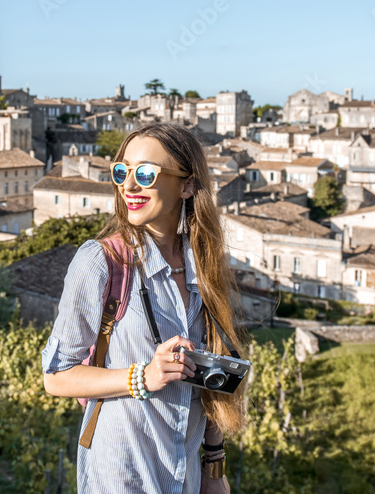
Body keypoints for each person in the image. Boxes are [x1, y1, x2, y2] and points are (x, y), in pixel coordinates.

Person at [42, 122, 247, 493]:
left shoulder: (203, 266)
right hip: (120, 476)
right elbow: (55, 375)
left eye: (146, 173)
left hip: (185, 478)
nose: (129, 186)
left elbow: (207, 380)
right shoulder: (100, 262)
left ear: (187, 185)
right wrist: (142, 377)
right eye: (122, 172)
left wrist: (214, 466)